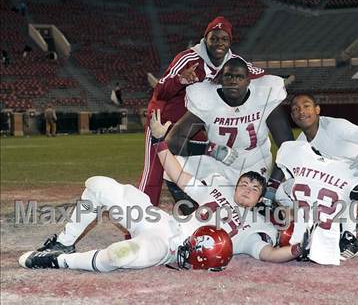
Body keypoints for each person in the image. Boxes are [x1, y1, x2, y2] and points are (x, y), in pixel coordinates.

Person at [18, 110, 310, 272]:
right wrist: (159, 141)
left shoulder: (253, 227)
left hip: (172, 250)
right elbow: (176, 173)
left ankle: (59, 261)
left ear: (261, 196)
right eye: (244, 183)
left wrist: (296, 249)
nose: (247, 188)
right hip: (159, 222)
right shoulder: (214, 193)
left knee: (118, 256)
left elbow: (270, 253)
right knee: (98, 184)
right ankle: (64, 243)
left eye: (254, 187)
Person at [137, 16, 265, 207]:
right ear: (206, 39)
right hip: (166, 120)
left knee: (209, 168)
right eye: (214, 38)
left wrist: (274, 79)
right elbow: (160, 91)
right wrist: (180, 79)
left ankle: (200, 213)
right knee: (155, 172)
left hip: (196, 122)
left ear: (230, 42)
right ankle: (137, 226)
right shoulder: (188, 58)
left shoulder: (234, 62)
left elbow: (257, 73)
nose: (219, 43)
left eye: (224, 39)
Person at [165, 58, 293, 213]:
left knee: (281, 195)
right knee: (173, 169)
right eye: (228, 76)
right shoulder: (208, 101)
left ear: (248, 81)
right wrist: (210, 150)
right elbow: (172, 140)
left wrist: (271, 187)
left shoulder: (264, 97)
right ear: (220, 79)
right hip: (220, 165)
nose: (233, 81)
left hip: (255, 167)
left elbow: (288, 147)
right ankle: (192, 218)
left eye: (239, 77)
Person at [276, 93, 358, 259]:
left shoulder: (335, 126)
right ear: (292, 116)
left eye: (306, 106)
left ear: (317, 109)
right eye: (295, 109)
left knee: (339, 181)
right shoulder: (301, 144)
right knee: (287, 188)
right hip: (338, 187)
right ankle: (324, 224)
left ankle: (350, 238)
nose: (301, 111)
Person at [273, 140, 358, 265]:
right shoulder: (351, 171)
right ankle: (349, 233)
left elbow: (281, 193)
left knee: (283, 191)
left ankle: (344, 230)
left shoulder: (296, 151)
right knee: (349, 198)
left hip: (300, 210)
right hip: (329, 221)